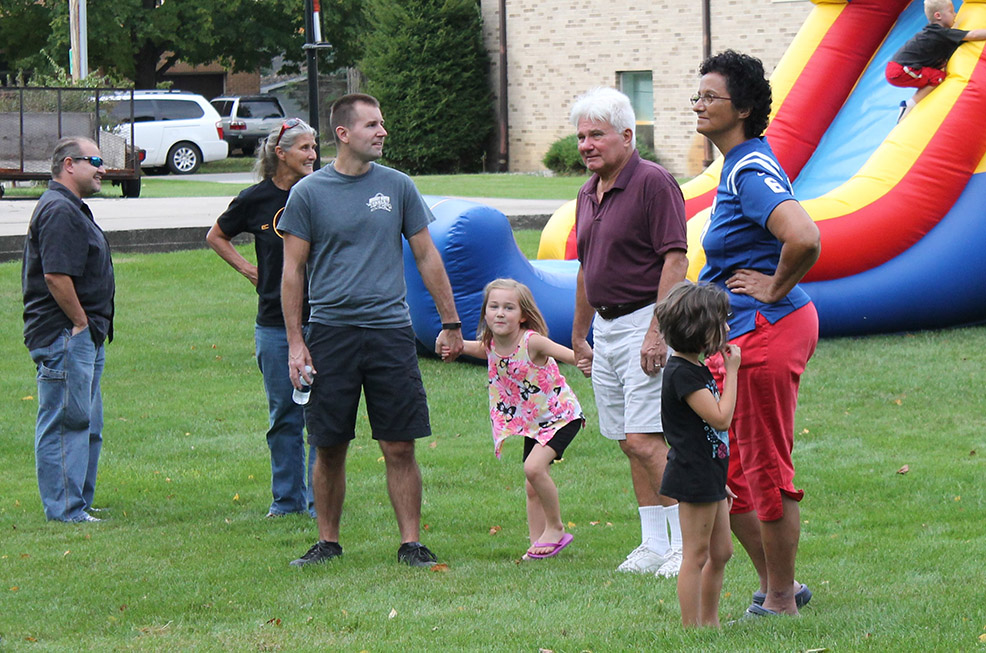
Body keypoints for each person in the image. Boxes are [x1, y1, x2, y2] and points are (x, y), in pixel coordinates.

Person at [279, 93, 464, 568]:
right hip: (331, 333)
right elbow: (293, 271)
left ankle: (411, 544)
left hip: (389, 332)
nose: (383, 132)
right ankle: (327, 542)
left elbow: (426, 255)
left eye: (382, 124)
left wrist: (450, 322)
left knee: (400, 443)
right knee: (329, 443)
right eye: (372, 125)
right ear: (343, 134)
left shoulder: (399, 187)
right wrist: (296, 342)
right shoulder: (308, 193)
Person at [692, 50, 821, 616]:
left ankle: (780, 602)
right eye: (696, 96)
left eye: (710, 97)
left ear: (742, 108)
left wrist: (771, 287)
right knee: (738, 471)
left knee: (763, 468)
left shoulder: (748, 168)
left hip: (767, 327)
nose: (698, 104)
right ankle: (780, 587)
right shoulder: (739, 164)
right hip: (742, 334)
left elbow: (804, 236)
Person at [569, 87, 689, 577]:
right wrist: (580, 334)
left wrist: (657, 332)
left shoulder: (653, 183)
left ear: (626, 135)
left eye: (596, 134)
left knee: (646, 439)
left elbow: (676, 259)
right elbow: (585, 268)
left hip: (646, 320)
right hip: (607, 326)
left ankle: (686, 543)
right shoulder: (586, 192)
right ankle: (653, 544)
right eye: (580, 136)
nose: (586, 144)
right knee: (625, 439)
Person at [206, 118, 318, 518]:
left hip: (323, 318)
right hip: (274, 322)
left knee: (321, 417)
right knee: (285, 414)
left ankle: (319, 501)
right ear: (280, 153)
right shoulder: (256, 199)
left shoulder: (323, 192)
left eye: (314, 148)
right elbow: (216, 235)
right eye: (304, 148)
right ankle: (287, 502)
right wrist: (249, 270)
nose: (312, 155)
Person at [445, 279, 585, 560]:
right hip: (532, 424)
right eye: (493, 306)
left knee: (534, 469)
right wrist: (454, 346)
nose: (500, 313)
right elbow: (474, 349)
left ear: (523, 315)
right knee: (532, 487)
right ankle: (538, 545)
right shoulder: (491, 344)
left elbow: (570, 356)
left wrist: (589, 362)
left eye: (509, 308)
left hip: (561, 417)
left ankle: (556, 528)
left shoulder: (532, 341)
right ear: (485, 312)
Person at [22, 137, 115, 522]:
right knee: (66, 421)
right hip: (65, 334)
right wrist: (79, 322)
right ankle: (65, 510)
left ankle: (78, 502)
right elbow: (57, 276)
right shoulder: (59, 210)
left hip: (83, 334)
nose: (103, 168)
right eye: (95, 160)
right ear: (69, 165)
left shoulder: (71, 208)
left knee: (87, 422)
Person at [654, 282, 739, 627]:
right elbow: (720, 417)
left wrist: (720, 480)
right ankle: (693, 628)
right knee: (696, 554)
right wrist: (732, 371)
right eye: (722, 322)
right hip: (693, 474)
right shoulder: (683, 374)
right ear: (700, 330)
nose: (728, 329)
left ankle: (711, 622)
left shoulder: (695, 368)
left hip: (709, 474)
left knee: (722, 552)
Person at [886, 0, 986, 121]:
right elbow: (974, 35)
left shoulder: (933, 32)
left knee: (933, 73)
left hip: (899, 67)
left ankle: (911, 104)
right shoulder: (941, 33)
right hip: (900, 70)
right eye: (951, 12)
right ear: (938, 15)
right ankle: (908, 106)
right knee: (938, 77)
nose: (955, 15)